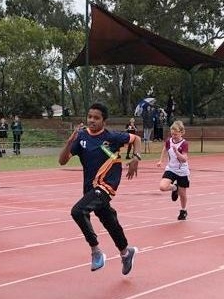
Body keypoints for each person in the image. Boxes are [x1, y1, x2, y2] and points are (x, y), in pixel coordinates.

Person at [58, 102, 142, 275]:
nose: (92, 121)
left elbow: (137, 139)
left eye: (96, 118)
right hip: (90, 187)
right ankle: (126, 253)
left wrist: (136, 158)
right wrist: (68, 143)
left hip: (106, 184)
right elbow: (62, 161)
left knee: (77, 211)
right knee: (109, 221)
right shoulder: (81, 137)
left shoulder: (112, 137)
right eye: (90, 117)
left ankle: (96, 251)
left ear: (104, 121)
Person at [156, 120, 190, 220]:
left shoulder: (184, 144)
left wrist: (177, 152)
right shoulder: (169, 141)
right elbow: (165, 149)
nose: (173, 136)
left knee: (182, 194)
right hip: (171, 168)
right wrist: (160, 160)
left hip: (182, 171)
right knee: (162, 187)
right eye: (172, 134)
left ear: (181, 132)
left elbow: (184, 159)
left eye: (175, 134)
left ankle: (183, 210)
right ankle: (174, 188)